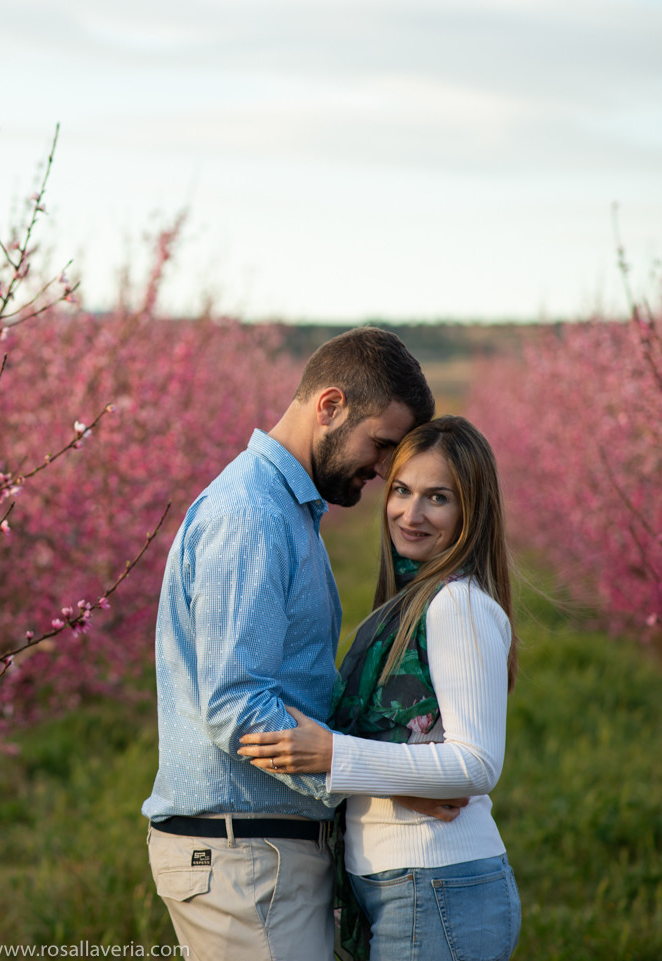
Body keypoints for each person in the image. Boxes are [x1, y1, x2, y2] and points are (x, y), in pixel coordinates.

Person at [142, 326, 446, 961]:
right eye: (382, 444)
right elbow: (238, 707)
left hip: (258, 851)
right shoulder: (251, 516)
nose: (385, 470)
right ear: (330, 406)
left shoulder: (287, 512)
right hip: (242, 854)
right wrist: (378, 777)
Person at [238, 415, 521, 961]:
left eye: (437, 497)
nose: (411, 515)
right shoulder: (406, 605)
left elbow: (477, 764)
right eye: (401, 491)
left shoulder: (457, 605)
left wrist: (332, 753)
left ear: (471, 511)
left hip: (438, 881)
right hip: (406, 885)